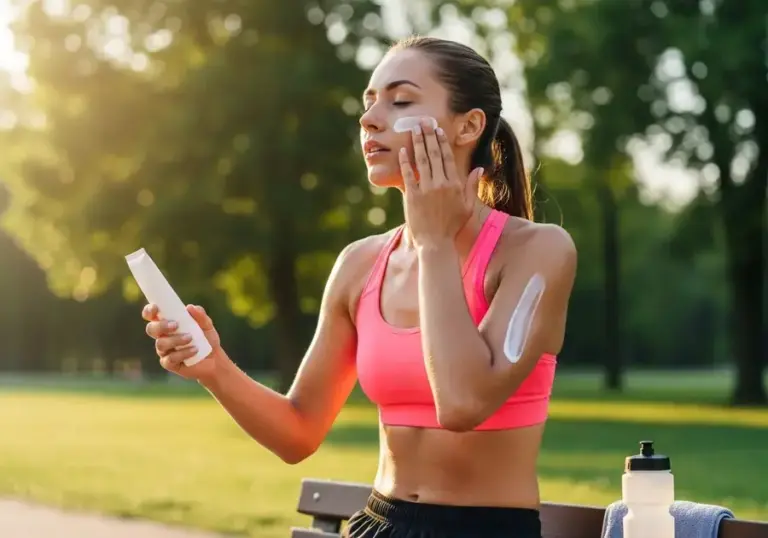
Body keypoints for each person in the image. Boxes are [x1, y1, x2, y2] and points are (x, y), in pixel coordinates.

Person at [142, 36, 577, 538]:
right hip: (378, 523)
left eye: (401, 100)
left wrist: (434, 241)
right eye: (369, 103)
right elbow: (298, 431)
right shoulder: (359, 264)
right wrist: (214, 368)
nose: (370, 119)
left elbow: (462, 404)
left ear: (469, 125)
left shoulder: (538, 252)